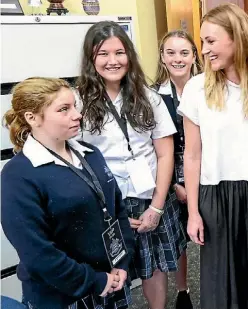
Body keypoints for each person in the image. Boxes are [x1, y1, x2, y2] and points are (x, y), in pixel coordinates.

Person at [177, 4, 248, 309]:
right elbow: (192, 155)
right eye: (203, 42)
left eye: (211, 41)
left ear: (236, 38)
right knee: (219, 286)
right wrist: (193, 212)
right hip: (215, 196)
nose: (204, 50)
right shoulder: (196, 89)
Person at [75, 21, 186, 309]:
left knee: (153, 266)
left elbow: (165, 154)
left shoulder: (149, 98)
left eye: (119, 52)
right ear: (91, 58)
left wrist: (157, 207)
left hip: (150, 196)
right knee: (111, 271)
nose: (113, 61)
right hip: (106, 202)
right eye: (103, 54)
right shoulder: (78, 102)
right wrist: (106, 213)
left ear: (130, 56)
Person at [1, 77, 135, 308]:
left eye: (74, 106)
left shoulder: (90, 153)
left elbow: (116, 209)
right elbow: (37, 253)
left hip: (111, 280)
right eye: (64, 109)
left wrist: (122, 261)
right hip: (63, 296)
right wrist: (94, 280)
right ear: (32, 118)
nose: (77, 115)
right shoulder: (18, 175)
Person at [153, 29, 203, 309]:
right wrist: (174, 183)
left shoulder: (209, 89)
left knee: (209, 234)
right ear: (162, 57)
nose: (177, 58)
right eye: (170, 52)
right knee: (177, 240)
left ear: (194, 56)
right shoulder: (153, 96)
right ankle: (183, 291)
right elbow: (157, 149)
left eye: (184, 52)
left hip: (205, 174)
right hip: (172, 178)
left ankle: (216, 286)